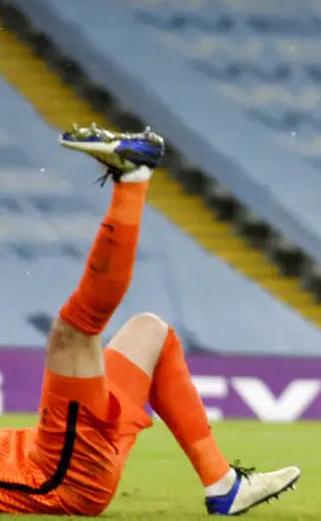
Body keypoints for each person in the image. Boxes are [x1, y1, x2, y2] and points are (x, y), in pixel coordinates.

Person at [0, 125, 301, 516]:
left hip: (57, 450)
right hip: (60, 475)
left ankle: (223, 483)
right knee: (73, 334)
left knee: (150, 330)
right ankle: (133, 178)